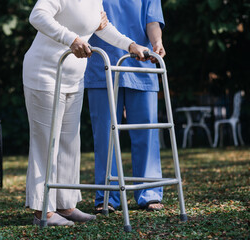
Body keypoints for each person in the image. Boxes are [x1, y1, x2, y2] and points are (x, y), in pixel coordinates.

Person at [23, 0, 149, 226]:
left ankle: (66, 205)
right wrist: (71, 39)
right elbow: (37, 16)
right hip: (44, 74)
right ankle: (43, 210)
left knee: (69, 142)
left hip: (73, 78)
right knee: (46, 143)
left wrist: (130, 45)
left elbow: (103, 28)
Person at [84, 0, 166, 213]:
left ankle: (149, 192)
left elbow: (152, 19)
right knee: (105, 135)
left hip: (141, 62)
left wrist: (157, 42)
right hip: (102, 64)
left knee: (146, 132)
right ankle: (107, 196)